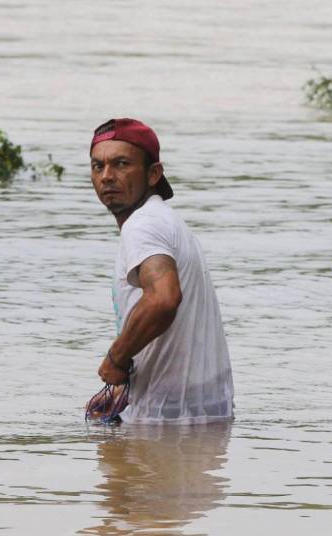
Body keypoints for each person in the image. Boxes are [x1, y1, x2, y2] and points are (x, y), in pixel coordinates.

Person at [89, 118, 234, 424]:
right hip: (203, 417)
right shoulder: (164, 220)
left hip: (165, 422)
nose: (107, 177)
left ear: (153, 173)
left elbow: (163, 300)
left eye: (121, 164)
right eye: (97, 166)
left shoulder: (143, 225)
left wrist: (116, 358)